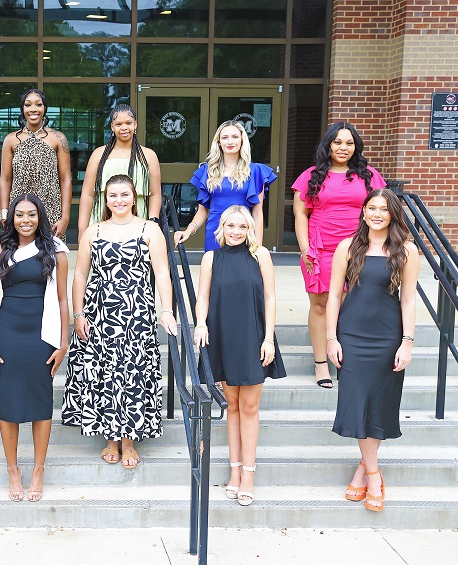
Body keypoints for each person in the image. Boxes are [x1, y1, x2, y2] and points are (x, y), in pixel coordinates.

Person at [62, 174, 177, 469]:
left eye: (124, 194)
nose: (119, 200)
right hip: (100, 312)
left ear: (134, 197)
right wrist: (78, 314)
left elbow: (162, 272)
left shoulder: (150, 230)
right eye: (112, 195)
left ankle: (129, 441)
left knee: (133, 374)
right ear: (105, 198)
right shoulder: (93, 231)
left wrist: (166, 310)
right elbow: (79, 275)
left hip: (137, 312)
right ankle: (110, 439)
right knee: (105, 374)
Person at [326, 189, 419, 513]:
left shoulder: (406, 251)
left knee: (377, 407)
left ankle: (365, 470)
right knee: (357, 403)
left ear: (392, 214)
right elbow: (334, 297)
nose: (377, 213)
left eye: (383, 208)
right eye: (371, 207)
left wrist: (407, 342)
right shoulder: (347, 247)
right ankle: (374, 473)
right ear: (363, 212)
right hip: (351, 335)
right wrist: (331, 339)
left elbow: (408, 299)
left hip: (387, 337)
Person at [194, 205, 286, 507]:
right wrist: (200, 324)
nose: (236, 232)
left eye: (242, 227)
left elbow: (271, 297)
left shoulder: (260, 255)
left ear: (250, 230)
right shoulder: (211, 258)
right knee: (230, 406)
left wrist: (269, 338)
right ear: (222, 227)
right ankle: (234, 471)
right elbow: (203, 297)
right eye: (231, 226)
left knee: (249, 406)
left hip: (253, 336)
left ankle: (249, 474)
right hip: (221, 336)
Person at [0, 195, 69, 502]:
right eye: (20, 215)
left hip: (41, 333)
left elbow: (62, 300)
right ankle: (13, 470)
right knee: (9, 401)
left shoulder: (55, 251)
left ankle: (38, 469)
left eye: (31, 215)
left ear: (40, 217)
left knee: (40, 400)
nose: (26, 220)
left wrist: (63, 342)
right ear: (11, 219)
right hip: (8, 331)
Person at [293, 122, 386, 388]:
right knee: (320, 304)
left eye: (349, 143)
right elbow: (301, 214)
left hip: (359, 246)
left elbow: (383, 209)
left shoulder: (369, 175)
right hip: (320, 247)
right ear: (328, 145)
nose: (343, 148)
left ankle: (349, 360)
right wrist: (304, 247)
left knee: (353, 303)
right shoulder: (312, 175)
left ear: (355, 147)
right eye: (337, 142)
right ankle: (321, 363)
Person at [174, 120, 276, 251]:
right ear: (219, 142)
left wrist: (258, 248)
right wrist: (188, 231)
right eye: (225, 137)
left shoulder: (256, 171)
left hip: (243, 234)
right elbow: (203, 211)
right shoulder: (208, 171)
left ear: (242, 140)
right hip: (215, 234)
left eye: (235, 137)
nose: (230, 142)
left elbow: (257, 213)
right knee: (215, 270)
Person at [78, 104, 162, 238]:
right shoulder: (98, 154)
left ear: (135, 124)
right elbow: (88, 194)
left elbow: (155, 194)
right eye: (118, 124)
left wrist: (152, 222)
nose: (124, 127)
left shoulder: (149, 155)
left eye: (128, 123)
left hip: (138, 219)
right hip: (102, 218)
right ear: (112, 127)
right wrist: (82, 229)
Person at [0, 89, 73, 240]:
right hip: (20, 212)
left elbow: (66, 179)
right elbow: (5, 179)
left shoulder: (58, 138)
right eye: (28, 105)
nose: (33, 109)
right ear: (22, 109)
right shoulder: (11, 139)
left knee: (50, 259)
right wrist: (4, 213)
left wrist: (65, 218)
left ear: (44, 108)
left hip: (51, 211)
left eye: (38, 104)